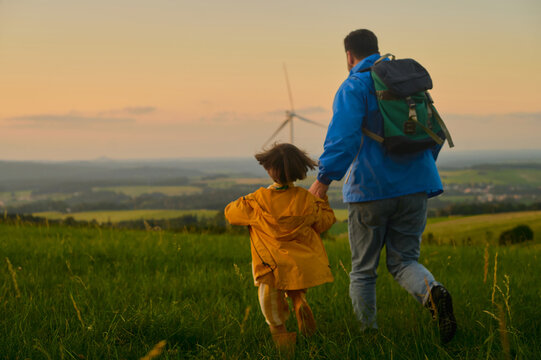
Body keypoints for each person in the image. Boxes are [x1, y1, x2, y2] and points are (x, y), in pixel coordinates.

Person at [308, 29, 457, 344]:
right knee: (405, 261)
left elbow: (343, 138)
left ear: (349, 56)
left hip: (371, 190)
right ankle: (435, 293)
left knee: (363, 270)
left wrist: (322, 181)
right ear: (376, 49)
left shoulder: (355, 85)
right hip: (418, 184)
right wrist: (421, 170)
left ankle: (368, 336)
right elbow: (432, 132)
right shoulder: (407, 84)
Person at [225, 143, 336, 352]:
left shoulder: (257, 201)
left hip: (270, 267)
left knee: (273, 314)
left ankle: (285, 351)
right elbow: (325, 222)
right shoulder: (307, 200)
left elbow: (230, 213)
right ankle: (298, 300)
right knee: (294, 283)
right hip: (298, 265)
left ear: (269, 169)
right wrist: (322, 202)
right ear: (300, 170)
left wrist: (246, 203)